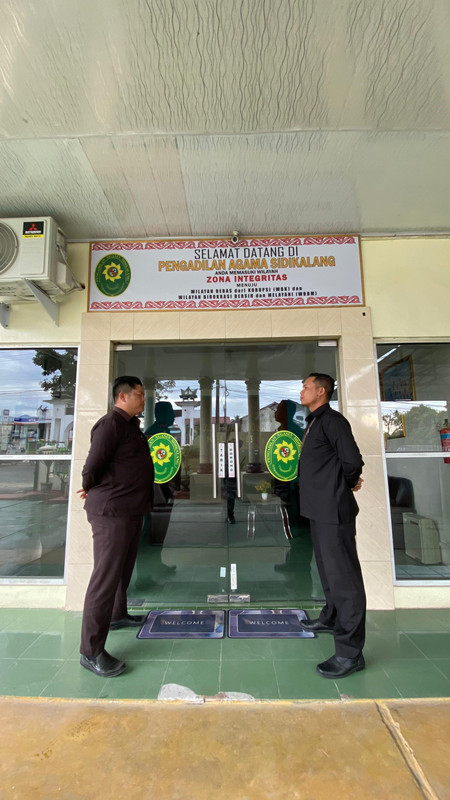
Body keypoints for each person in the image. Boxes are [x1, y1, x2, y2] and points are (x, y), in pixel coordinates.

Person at [77, 376, 154, 678]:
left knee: (122, 570)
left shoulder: (131, 426)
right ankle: (91, 651)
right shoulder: (110, 424)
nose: (143, 399)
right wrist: (90, 487)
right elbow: (92, 465)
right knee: (105, 579)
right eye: (139, 394)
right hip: (112, 512)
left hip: (130, 510)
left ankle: (117, 615)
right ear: (122, 397)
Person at [298, 373, 366, 679]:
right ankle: (331, 617)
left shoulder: (333, 421)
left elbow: (352, 461)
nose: (302, 391)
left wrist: (346, 484)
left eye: (306, 387)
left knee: (344, 579)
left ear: (321, 391)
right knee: (327, 570)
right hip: (319, 510)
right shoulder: (314, 421)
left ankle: (350, 653)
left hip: (333, 510)